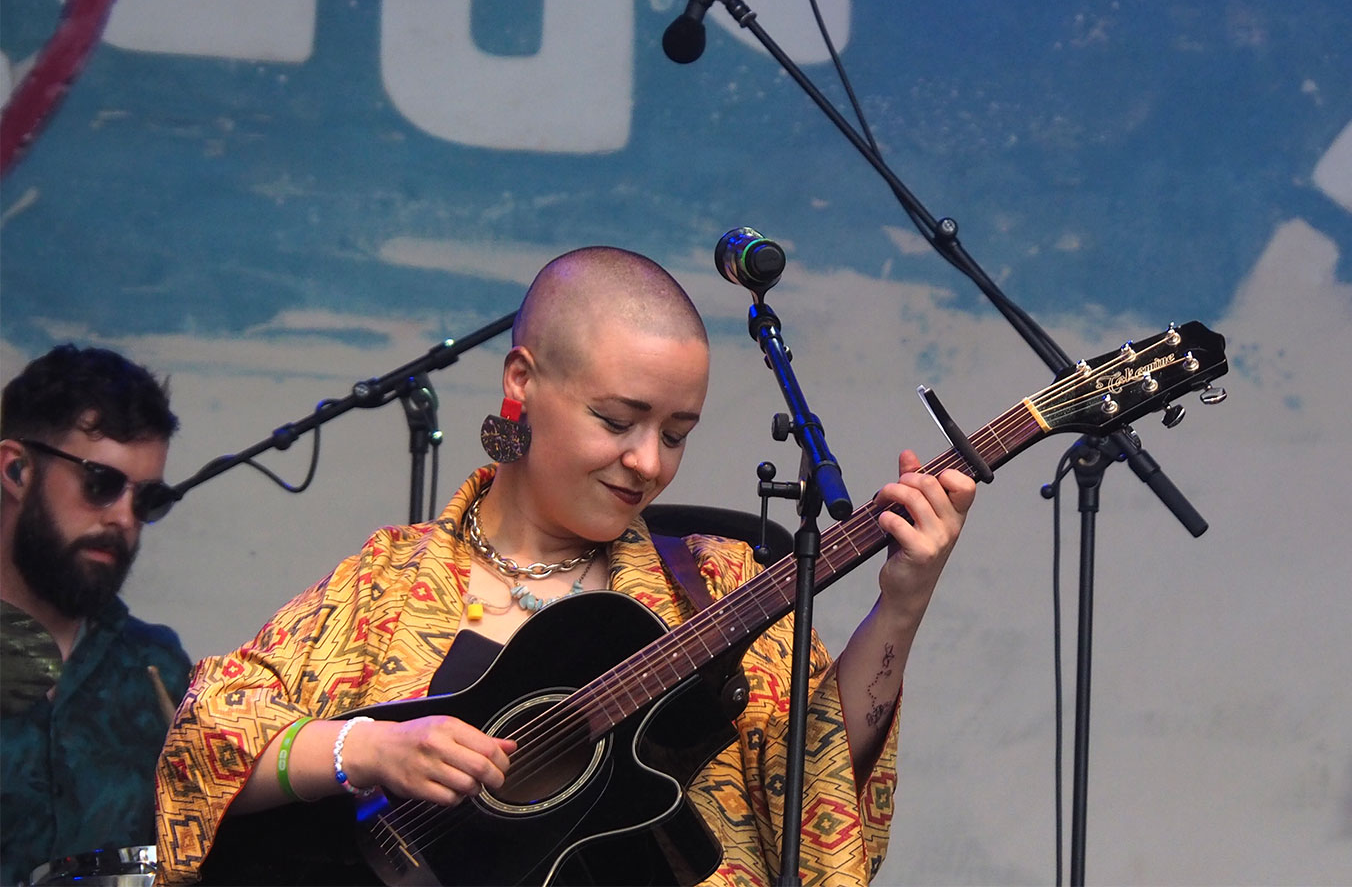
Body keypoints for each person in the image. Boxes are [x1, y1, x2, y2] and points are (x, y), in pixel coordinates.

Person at [155, 247, 975, 886]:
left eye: (678, 433)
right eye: (618, 420)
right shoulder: (387, 581)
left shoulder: (716, 586)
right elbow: (208, 735)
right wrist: (367, 750)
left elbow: (818, 785)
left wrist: (901, 605)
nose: (648, 462)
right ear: (522, 382)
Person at [1, 344, 192, 885]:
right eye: (101, 483)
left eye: (147, 499)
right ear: (16, 469)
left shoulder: (158, 666)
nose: (124, 518)